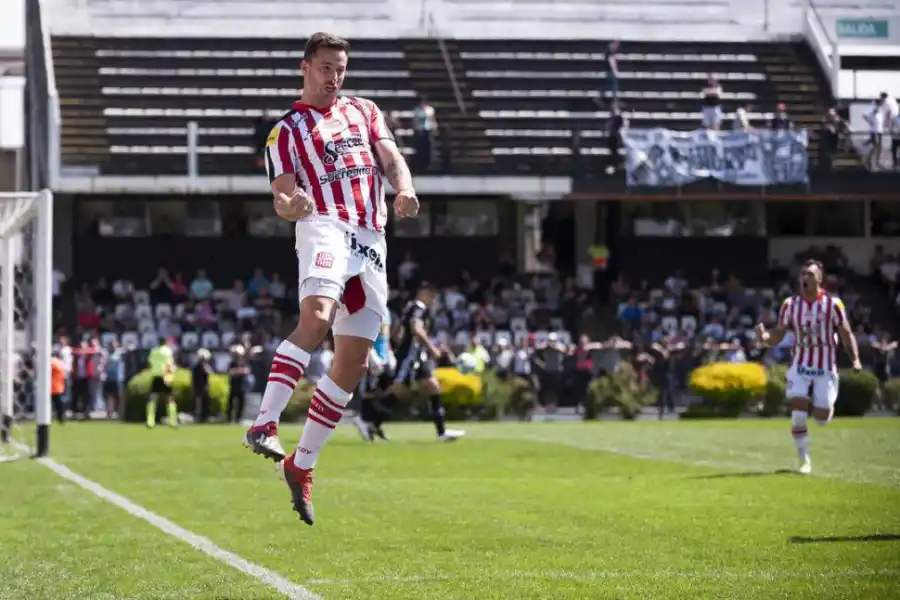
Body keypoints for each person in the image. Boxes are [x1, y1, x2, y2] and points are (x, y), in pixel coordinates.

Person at [243, 32, 420, 526]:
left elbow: (389, 159)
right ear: (305, 67)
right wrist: (291, 206)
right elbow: (282, 195)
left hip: (372, 237)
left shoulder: (365, 110)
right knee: (316, 318)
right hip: (324, 225)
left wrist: (403, 187)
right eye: (325, 67)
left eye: (340, 67)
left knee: (354, 360)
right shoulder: (286, 131)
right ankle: (264, 422)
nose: (334, 76)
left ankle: (302, 465)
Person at [754, 259, 861, 475]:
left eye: (810, 274)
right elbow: (779, 332)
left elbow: (846, 333)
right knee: (798, 411)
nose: (805, 278)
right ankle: (804, 460)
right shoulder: (790, 305)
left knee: (821, 418)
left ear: (820, 279)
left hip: (825, 367)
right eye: (803, 274)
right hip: (800, 364)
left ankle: (823, 406)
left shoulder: (833, 305)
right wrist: (765, 337)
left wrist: (855, 358)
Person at [370, 282, 466, 443]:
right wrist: (431, 348)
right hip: (410, 356)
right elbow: (416, 329)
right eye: (432, 294)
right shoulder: (418, 307)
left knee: (433, 386)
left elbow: (399, 331)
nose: (434, 298)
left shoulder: (415, 308)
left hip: (417, 356)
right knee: (399, 390)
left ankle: (442, 432)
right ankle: (371, 421)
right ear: (423, 293)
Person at [355, 313, 395, 442]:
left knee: (387, 391)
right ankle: (364, 420)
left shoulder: (386, 311)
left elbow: (385, 337)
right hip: (371, 357)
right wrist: (372, 356)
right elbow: (364, 335)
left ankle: (374, 424)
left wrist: (390, 354)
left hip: (384, 358)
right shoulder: (371, 309)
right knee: (369, 390)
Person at [147, 337, 178, 429]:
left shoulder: (154, 351)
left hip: (156, 376)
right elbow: (169, 364)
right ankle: (172, 421)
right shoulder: (168, 351)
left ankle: (150, 421)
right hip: (165, 376)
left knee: (153, 398)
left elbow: (150, 363)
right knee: (170, 399)